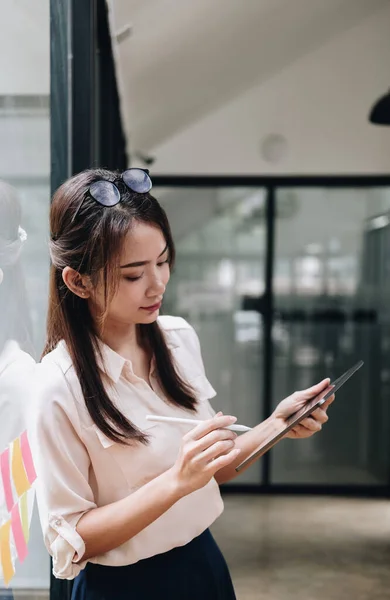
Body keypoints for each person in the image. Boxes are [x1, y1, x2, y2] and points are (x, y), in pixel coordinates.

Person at [29, 168, 333, 600]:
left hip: (202, 564)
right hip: (122, 588)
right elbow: (71, 538)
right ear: (78, 281)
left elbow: (213, 469)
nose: (158, 284)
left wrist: (276, 424)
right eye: (134, 274)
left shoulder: (177, 338)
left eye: (163, 260)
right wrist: (176, 481)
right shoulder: (57, 387)